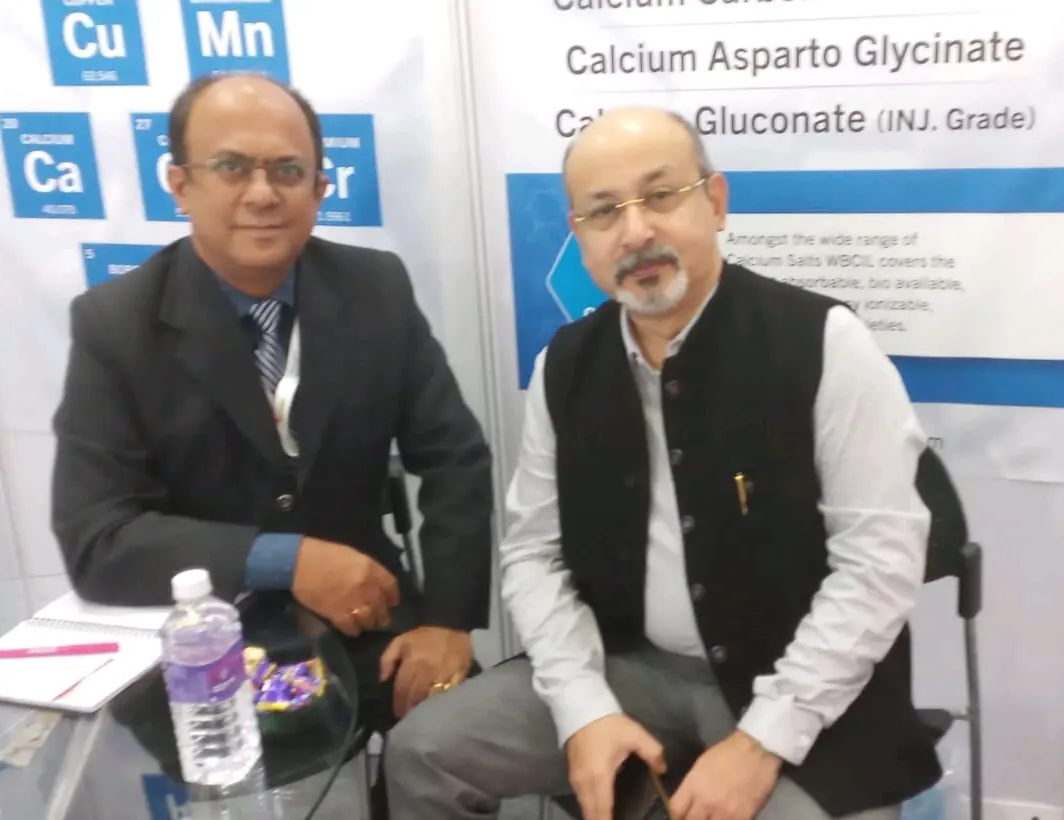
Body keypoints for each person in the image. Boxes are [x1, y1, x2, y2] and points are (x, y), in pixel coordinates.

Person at [384, 106, 942, 820]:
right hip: (630, 668)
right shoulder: (565, 366)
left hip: (799, 681)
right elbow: (533, 553)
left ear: (716, 202)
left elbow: (878, 565)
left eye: (660, 195)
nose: (636, 231)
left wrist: (761, 742)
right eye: (604, 212)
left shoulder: (823, 343)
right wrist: (583, 710)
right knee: (424, 752)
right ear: (580, 237)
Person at [50, 73, 493, 812]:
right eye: (231, 167)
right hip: (205, 650)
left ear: (319, 189)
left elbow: (456, 458)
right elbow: (98, 538)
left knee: (460, 752)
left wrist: (449, 619)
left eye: (287, 170)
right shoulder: (116, 325)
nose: (262, 193)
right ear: (180, 184)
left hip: (371, 621)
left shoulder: (375, 288)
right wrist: (288, 559)